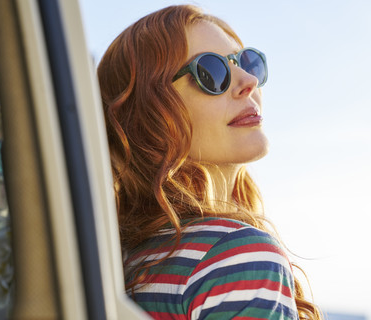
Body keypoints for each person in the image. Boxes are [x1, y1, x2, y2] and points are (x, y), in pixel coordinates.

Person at [97, 5, 322, 320]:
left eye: (246, 62)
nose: (248, 81)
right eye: (211, 72)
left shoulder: (128, 260)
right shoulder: (235, 255)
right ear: (149, 119)